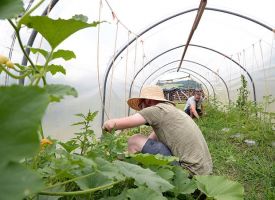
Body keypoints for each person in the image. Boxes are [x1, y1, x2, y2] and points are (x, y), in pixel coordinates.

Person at [103, 85, 212, 175]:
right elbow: (151, 140)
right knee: (143, 143)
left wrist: (105, 127)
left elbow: (112, 125)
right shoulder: (170, 111)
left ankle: (130, 174)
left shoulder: (155, 110)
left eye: (141, 105)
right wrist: (124, 155)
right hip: (204, 174)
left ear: (148, 101)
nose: (141, 109)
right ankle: (131, 168)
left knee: (134, 139)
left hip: (189, 175)